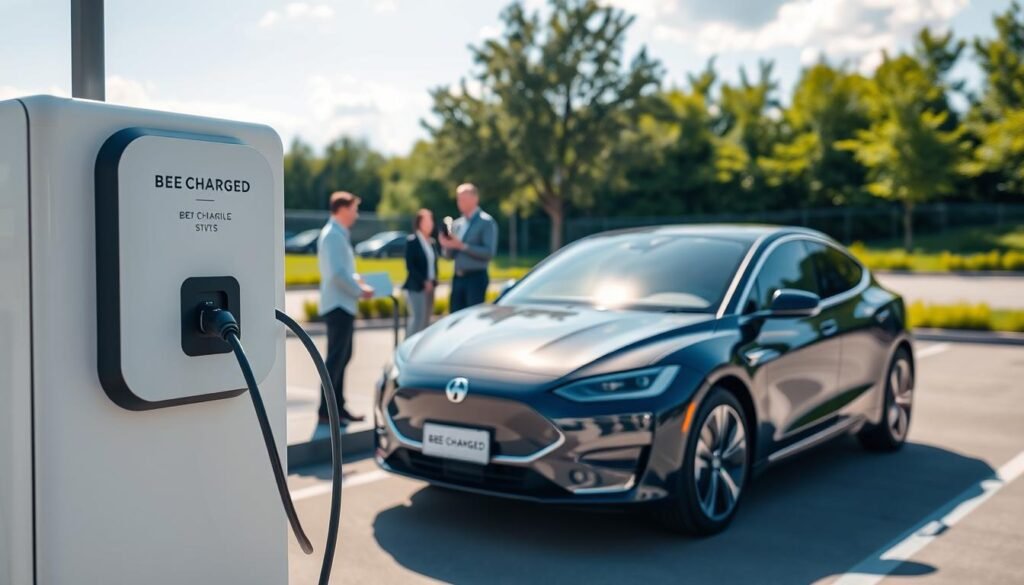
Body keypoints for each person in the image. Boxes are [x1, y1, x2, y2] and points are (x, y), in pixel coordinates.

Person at [317, 191, 374, 424]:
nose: (356, 214)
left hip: (344, 304)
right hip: (338, 305)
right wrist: (360, 290)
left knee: (343, 356)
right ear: (341, 209)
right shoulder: (332, 235)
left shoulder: (338, 234)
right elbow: (338, 275)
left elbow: (346, 272)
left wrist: (358, 282)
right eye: (353, 209)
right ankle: (326, 411)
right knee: (335, 359)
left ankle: (338, 407)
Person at [439, 183, 498, 312]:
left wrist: (462, 246)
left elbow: (489, 253)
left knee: (471, 319)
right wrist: (446, 245)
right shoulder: (457, 224)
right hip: (458, 278)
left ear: (475, 199)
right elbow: (449, 256)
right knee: (455, 317)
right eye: (458, 199)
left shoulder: (486, 222)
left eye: (463, 199)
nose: (460, 203)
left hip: (476, 278)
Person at [402, 209, 439, 337]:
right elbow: (410, 266)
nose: (430, 224)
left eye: (431, 220)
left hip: (431, 287)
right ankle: (407, 347)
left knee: (426, 321)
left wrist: (433, 282)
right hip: (417, 287)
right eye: (426, 221)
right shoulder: (412, 241)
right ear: (419, 223)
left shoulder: (432, 242)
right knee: (418, 318)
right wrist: (424, 281)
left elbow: (434, 265)